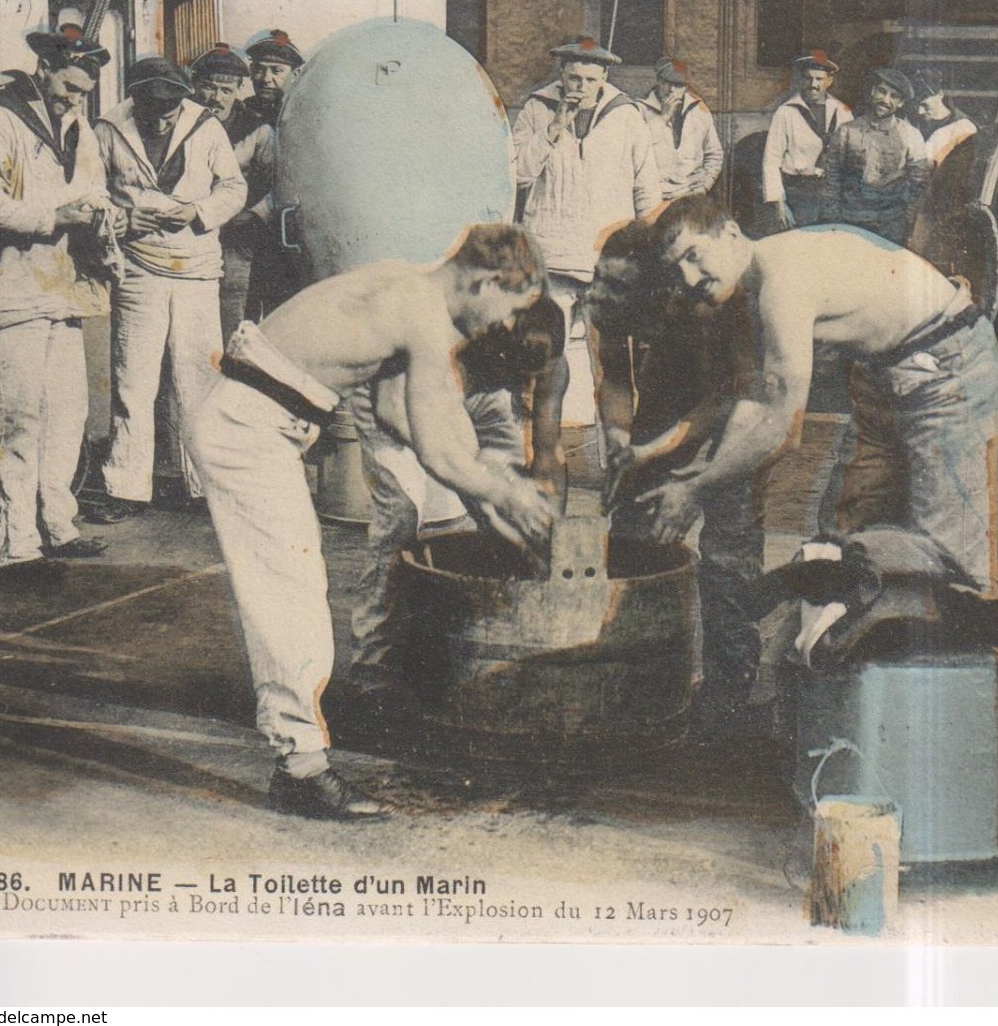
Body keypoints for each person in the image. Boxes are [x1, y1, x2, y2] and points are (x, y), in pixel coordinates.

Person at [185, 224, 558, 819]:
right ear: (489, 280)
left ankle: (299, 755)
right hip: (245, 430)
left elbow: (394, 412)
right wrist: (507, 492)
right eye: (509, 309)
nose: (502, 328)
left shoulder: (407, 285)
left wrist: (487, 499)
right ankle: (301, 770)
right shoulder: (424, 314)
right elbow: (438, 450)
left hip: (252, 419)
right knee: (291, 592)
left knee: (295, 584)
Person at [637, 197, 998, 597]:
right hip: (885, 376)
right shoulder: (756, 287)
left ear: (730, 233)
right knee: (840, 538)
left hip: (949, 362)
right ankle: (857, 646)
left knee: (947, 558)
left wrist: (696, 489)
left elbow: (781, 429)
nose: (690, 279)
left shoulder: (783, 285)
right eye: (678, 269)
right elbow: (755, 400)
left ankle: (977, 653)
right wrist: (679, 467)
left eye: (694, 255)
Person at [0, 25, 117, 579]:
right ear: (43, 70)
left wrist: (100, 211)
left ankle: (56, 524)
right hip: (9, 288)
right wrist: (52, 217)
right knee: (15, 413)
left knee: (68, 412)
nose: (74, 98)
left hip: (60, 288)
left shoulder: (77, 128)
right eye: (67, 86)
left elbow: (92, 186)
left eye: (83, 91)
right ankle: (12, 538)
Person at [342, 291, 569, 697]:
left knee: (515, 514)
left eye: (534, 379)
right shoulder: (444, 334)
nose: (528, 389)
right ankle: (372, 668)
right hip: (391, 390)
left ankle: (499, 639)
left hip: (478, 381)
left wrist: (548, 530)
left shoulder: (545, 361)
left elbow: (548, 455)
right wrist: (477, 481)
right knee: (402, 513)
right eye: (522, 377)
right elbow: (406, 422)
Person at [586, 221, 765, 722]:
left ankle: (729, 690)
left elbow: (726, 398)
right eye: (597, 278)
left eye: (616, 286)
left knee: (728, 553)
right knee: (634, 531)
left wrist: (684, 474)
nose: (599, 294)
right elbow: (617, 378)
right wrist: (623, 443)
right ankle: (642, 669)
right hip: (664, 398)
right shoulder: (608, 304)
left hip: (735, 414)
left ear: (661, 288)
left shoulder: (708, 301)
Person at [86, 58, 246, 524]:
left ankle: (206, 488)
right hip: (138, 266)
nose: (159, 119)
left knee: (199, 377)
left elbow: (234, 187)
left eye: (169, 111)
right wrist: (122, 219)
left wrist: (198, 212)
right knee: (133, 379)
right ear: (134, 99)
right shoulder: (108, 129)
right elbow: (93, 191)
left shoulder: (205, 125)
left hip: (196, 267)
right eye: (150, 110)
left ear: (182, 99)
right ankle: (127, 488)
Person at [512, 35, 660, 424]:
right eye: (574, 78)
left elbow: (647, 187)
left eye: (590, 80)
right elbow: (518, 175)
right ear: (561, 73)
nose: (581, 87)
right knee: (544, 359)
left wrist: (648, 251)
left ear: (605, 76)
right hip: (552, 254)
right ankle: (544, 457)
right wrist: (554, 127)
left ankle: (618, 461)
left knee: (613, 368)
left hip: (607, 258)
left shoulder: (627, 114)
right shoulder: (535, 108)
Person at [189, 42, 265, 341]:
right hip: (189, 231)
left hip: (236, 236)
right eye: (208, 88)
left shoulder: (256, 129)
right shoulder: (179, 120)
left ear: (238, 90)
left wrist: (249, 214)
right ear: (195, 84)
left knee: (230, 312)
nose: (216, 98)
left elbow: (271, 179)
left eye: (226, 91)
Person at [235, 30, 307, 322]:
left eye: (277, 71)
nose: (266, 79)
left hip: (286, 229)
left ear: (293, 73)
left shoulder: (304, 115)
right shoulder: (241, 115)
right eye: (259, 69)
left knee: (284, 311)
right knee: (242, 309)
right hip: (240, 229)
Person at [817, 67, 930, 247]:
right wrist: (832, 219)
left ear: (901, 103)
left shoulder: (911, 135)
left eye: (894, 96)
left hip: (890, 224)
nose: (885, 100)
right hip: (851, 220)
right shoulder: (847, 131)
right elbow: (832, 177)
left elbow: (918, 181)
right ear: (872, 92)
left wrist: (905, 219)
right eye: (882, 91)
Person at [760, 50, 850, 232]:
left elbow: (851, 156)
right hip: (799, 194)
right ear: (801, 81)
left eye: (819, 79)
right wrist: (779, 204)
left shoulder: (842, 111)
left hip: (831, 194)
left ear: (829, 82)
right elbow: (771, 160)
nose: (813, 84)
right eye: (808, 79)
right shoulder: (786, 112)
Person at [639, 57, 724, 202]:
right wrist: (662, 118)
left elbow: (714, 154)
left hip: (691, 194)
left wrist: (703, 188)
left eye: (678, 85)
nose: (672, 90)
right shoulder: (640, 109)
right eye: (667, 83)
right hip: (654, 196)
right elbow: (637, 153)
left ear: (685, 87)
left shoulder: (699, 110)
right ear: (658, 81)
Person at [911, 68, 978, 168]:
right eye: (916, 105)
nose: (920, 111)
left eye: (925, 105)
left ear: (940, 95)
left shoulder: (963, 126)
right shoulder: (914, 121)